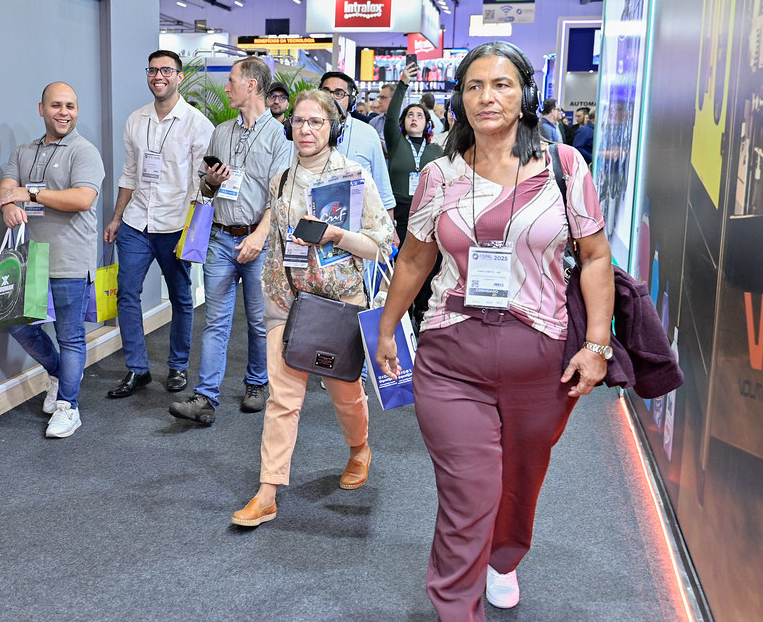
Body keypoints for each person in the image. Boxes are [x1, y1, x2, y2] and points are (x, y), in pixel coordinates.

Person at [374, 41, 614, 619]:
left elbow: (596, 256)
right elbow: (414, 259)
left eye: (501, 84)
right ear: (459, 98)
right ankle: (456, 607)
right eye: (474, 86)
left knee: (521, 477)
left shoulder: (564, 167)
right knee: (470, 491)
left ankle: (503, 558)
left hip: (541, 354)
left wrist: (597, 344)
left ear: (525, 94)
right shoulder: (439, 175)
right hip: (451, 352)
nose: (487, 97)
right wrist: (386, 329)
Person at [231, 89, 394, 528]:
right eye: (299, 121)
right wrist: (271, 293)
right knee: (282, 400)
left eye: (316, 121)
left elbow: (382, 244)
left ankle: (359, 449)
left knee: (345, 394)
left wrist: (337, 235)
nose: (306, 129)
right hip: (288, 301)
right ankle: (267, 493)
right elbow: (278, 243)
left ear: (333, 127)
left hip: (339, 304)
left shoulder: (354, 177)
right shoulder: (281, 180)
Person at [169, 57, 292, 425]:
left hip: (260, 242)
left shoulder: (279, 137)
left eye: (232, 81)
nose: (226, 88)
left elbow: (279, 198)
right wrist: (211, 181)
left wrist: (258, 236)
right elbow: (205, 187)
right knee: (216, 322)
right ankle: (205, 397)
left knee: (259, 321)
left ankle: (256, 383)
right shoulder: (220, 132)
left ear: (251, 85)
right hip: (220, 238)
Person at [0, 81, 104, 438]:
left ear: (77, 111)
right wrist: (9, 206)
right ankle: (58, 373)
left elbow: (82, 199)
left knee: (70, 335)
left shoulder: (84, 152)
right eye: (56, 105)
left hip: (71, 259)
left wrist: (30, 194)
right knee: (18, 325)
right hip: (31, 260)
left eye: (70, 106)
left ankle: (68, 407)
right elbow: (6, 189)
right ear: (41, 109)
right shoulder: (24, 152)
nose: (64, 112)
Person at [103, 50, 214, 399]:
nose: (158, 76)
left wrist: (192, 231)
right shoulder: (136, 120)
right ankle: (137, 369)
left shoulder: (198, 124)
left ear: (179, 76)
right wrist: (117, 217)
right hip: (136, 222)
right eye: (152, 70)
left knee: (181, 297)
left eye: (166, 70)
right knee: (126, 294)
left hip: (175, 225)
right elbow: (129, 173)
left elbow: (201, 184)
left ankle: (178, 365)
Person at [383, 62, 444, 326]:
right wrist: (402, 84)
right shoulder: (396, 142)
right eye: (410, 115)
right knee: (400, 266)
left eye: (420, 115)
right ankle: (401, 316)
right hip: (400, 211)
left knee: (428, 265)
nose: (414, 119)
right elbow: (389, 117)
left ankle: (422, 315)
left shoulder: (436, 150)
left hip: (428, 212)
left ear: (428, 123)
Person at [317, 71, 398, 243]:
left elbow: (382, 185)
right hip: (316, 227)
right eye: (326, 92)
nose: (331, 98)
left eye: (339, 93)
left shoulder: (368, 133)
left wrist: (390, 228)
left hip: (361, 231)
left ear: (351, 100)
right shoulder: (306, 130)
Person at [367, 82, 399, 152]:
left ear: (395, 99)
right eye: (379, 97)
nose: (379, 101)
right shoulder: (374, 122)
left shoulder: (405, 120)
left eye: (383, 97)